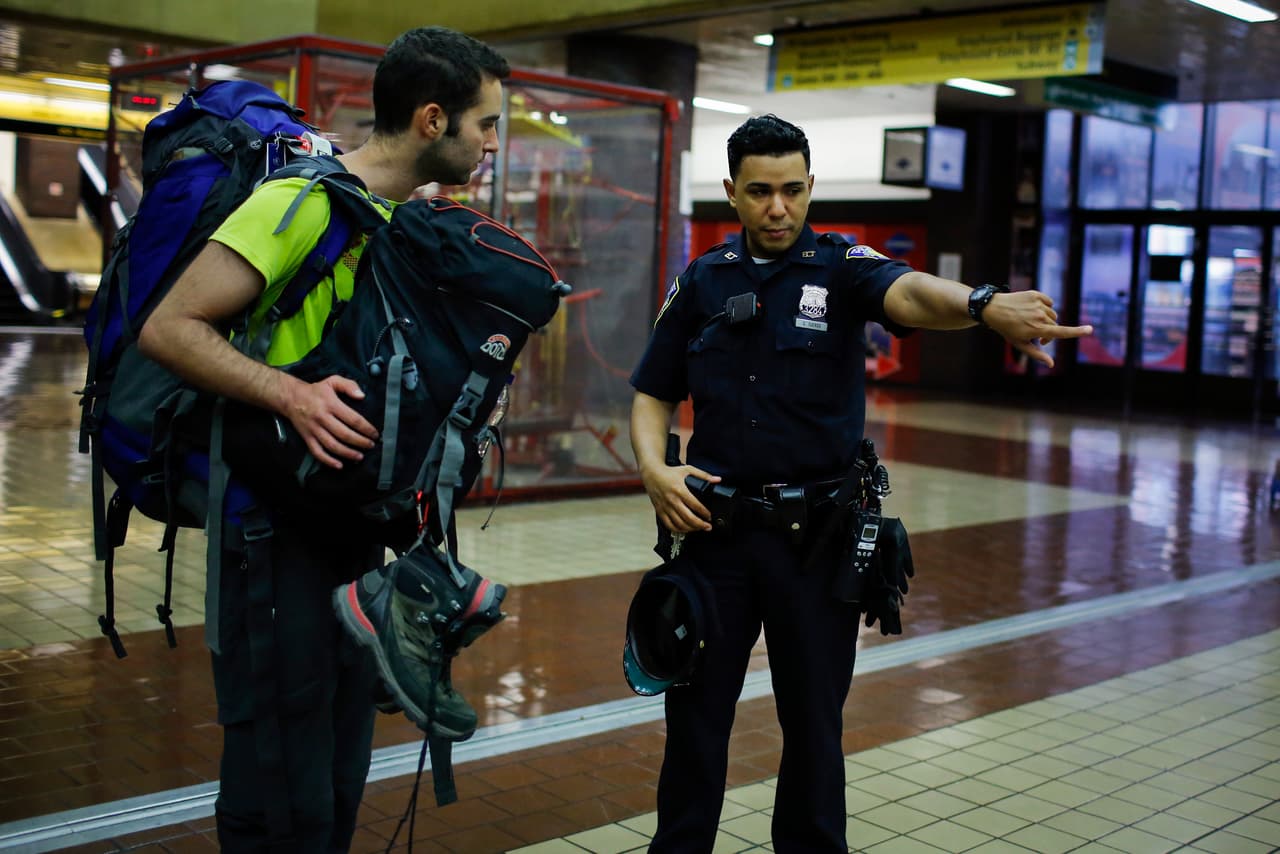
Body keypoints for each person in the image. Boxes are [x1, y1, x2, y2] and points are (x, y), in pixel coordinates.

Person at [628, 114, 1092, 853]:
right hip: (714, 539)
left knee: (814, 726)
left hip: (816, 545)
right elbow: (654, 390)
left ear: (810, 186)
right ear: (732, 192)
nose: (777, 208)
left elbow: (908, 295)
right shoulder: (703, 281)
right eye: (759, 192)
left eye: (791, 190)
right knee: (695, 721)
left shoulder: (842, 267)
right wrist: (654, 469)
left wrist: (982, 305)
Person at [139, 26, 510, 851]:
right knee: (280, 768)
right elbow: (168, 328)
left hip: (348, 532)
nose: (491, 142)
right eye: (485, 123)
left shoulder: (403, 221)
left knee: (339, 766)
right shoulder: (301, 204)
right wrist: (289, 393)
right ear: (432, 119)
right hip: (267, 535)